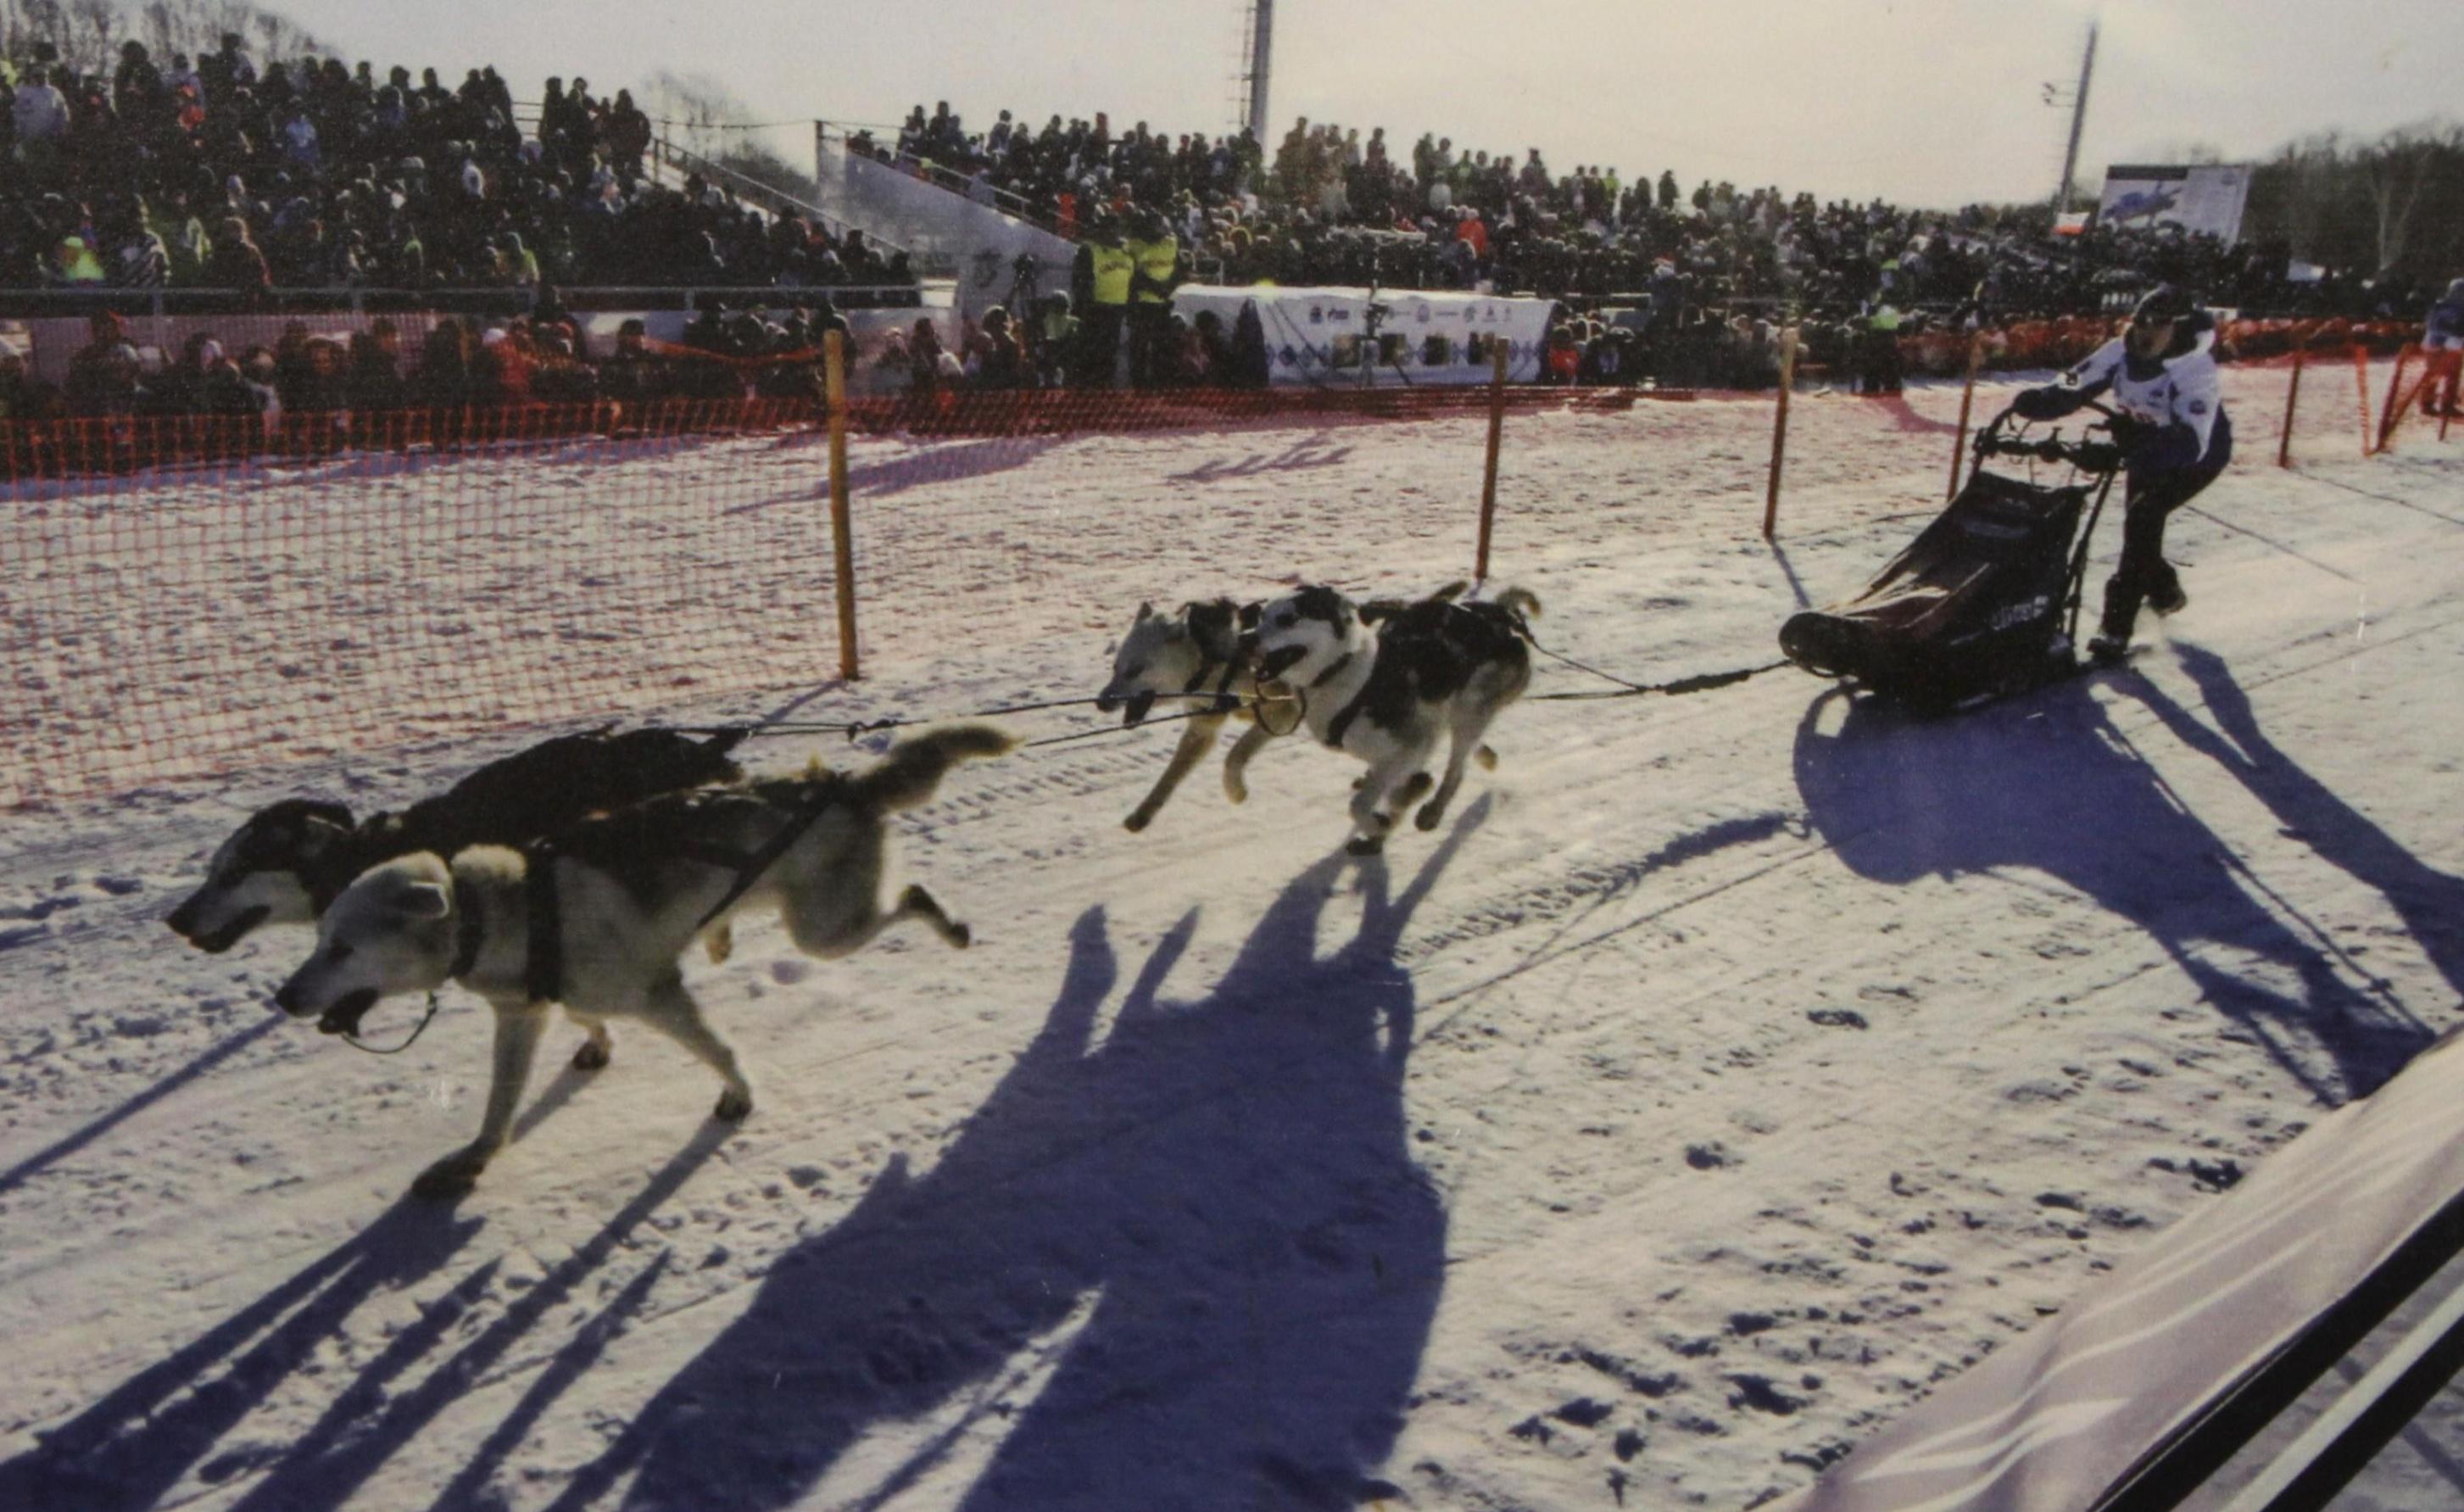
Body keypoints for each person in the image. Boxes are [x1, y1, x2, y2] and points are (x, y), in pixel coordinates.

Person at [2014, 284, 2233, 666]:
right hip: (2142, 445)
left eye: (2159, 324)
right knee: (2141, 529)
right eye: (2141, 321)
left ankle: (2116, 626)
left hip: (2194, 457)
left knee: (2143, 518)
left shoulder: (2195, 368)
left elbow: (2190, 441)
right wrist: (2040, 402)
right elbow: (2075, 382)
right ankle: (2165, 592)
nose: (2146, 331)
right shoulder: (2120, 350)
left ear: (2179, 328)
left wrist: (2130, 452)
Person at [2420, 276, 2463, 420]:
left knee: (2452, 375)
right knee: (2434, 374)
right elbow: (2433, 325)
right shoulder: (2439, 306)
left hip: (2453, 345)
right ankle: (2427, 404)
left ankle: (2447, 406)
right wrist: (2453, 331)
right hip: (2436, 344)